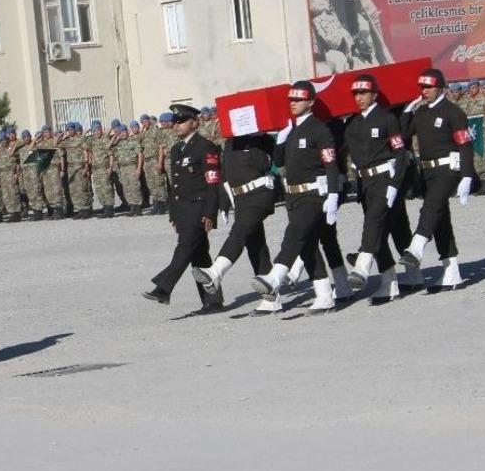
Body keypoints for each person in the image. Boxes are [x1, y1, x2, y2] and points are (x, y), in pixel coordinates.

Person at [250, 80, 340, 314]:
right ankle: (324, 296)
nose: (293, 103)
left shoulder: (319, 129)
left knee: (294, 234)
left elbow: (330, 163)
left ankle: (275, 277)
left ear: (310, 102)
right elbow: (278, 164)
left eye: (298, 99)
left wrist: (333, 195)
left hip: (313, 194)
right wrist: (280, 140)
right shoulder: (291, 130)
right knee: (308, 246)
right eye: (291, 99)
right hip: (293, 196)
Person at [399, 68, 474, 291]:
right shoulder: (420, 113)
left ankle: (416, 247)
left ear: (440, 87)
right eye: (422, 87)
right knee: (440, 220)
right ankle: (452, 273)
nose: (425, 91)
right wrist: (406, 112)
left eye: (429, 87)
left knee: (430, 207)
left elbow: (465, 144)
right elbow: (403, 136)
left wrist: (467, 176)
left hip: (448, 170)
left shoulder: (453, 112)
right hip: (428, 172)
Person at [142, 104, 223, 310]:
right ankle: (212, 300)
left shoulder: (206, 147)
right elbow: (175, 183)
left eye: (182, 121)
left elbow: (213, 183)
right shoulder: (177, 148)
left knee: (184, 248)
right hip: (183, 210)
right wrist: (174, 212)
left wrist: (210, 213)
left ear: (194, 122)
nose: (177, 126)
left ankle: (164, 287)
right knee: (199, 255)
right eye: (175, 122)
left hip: (199, 209)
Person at [191, 131, 281, 313]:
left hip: (260, 194)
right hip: (241, 199)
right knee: (256, 245)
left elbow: (266, 164)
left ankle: (215, 272)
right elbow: (225, 174)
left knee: (238, 232)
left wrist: (254, 141)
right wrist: (224, 204)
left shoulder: (262, 139)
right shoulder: (230, 142)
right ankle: (272, 298)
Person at [341, 74, 409, 304]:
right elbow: (340, 149)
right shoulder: (351, 123)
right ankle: (389, 283)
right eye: (356, 94)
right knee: (379, 230)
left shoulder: (387, 118)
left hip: (383, 180)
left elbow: (401, 153)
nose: (359, 98)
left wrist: (394, 184)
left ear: (374, 95)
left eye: (364, 93)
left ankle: (361, 266)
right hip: (364, 184)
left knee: (373, 223)